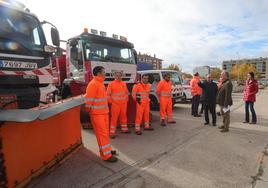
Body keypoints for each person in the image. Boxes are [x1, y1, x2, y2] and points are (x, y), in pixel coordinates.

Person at [84, 66, 117, 162]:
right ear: (98, 73)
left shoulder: (100, 84)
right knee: (102, 134)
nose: (105, 73)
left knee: (105, 134)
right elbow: (88, 100)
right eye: (103, 72)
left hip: (103, 113)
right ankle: (106, 156)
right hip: (97, 114)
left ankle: (107, 151)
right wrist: (89, 111)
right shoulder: (93, 84)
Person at [107, 71, 130, 139]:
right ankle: (112, 132)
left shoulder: (123, 83)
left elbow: (126, 93)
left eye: (120, 76)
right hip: (115, 104)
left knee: (123, 117)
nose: (118, 77)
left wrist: (126, 100)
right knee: (114, 118)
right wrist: (111, 102)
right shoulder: (111, 84)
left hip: (123, 104)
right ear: (114, 76)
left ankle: (124, 129)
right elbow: (108, 94)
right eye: (117, 76)